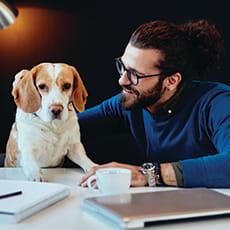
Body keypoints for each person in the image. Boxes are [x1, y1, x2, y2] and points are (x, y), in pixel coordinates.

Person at [14, 19, 229, 188]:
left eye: (135, 74)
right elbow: (62, 129)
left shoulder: (216, 103)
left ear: (171, 81)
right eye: (123, 67)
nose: (122, 80)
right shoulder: (128, 104)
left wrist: (147, 175)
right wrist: (32, 101)